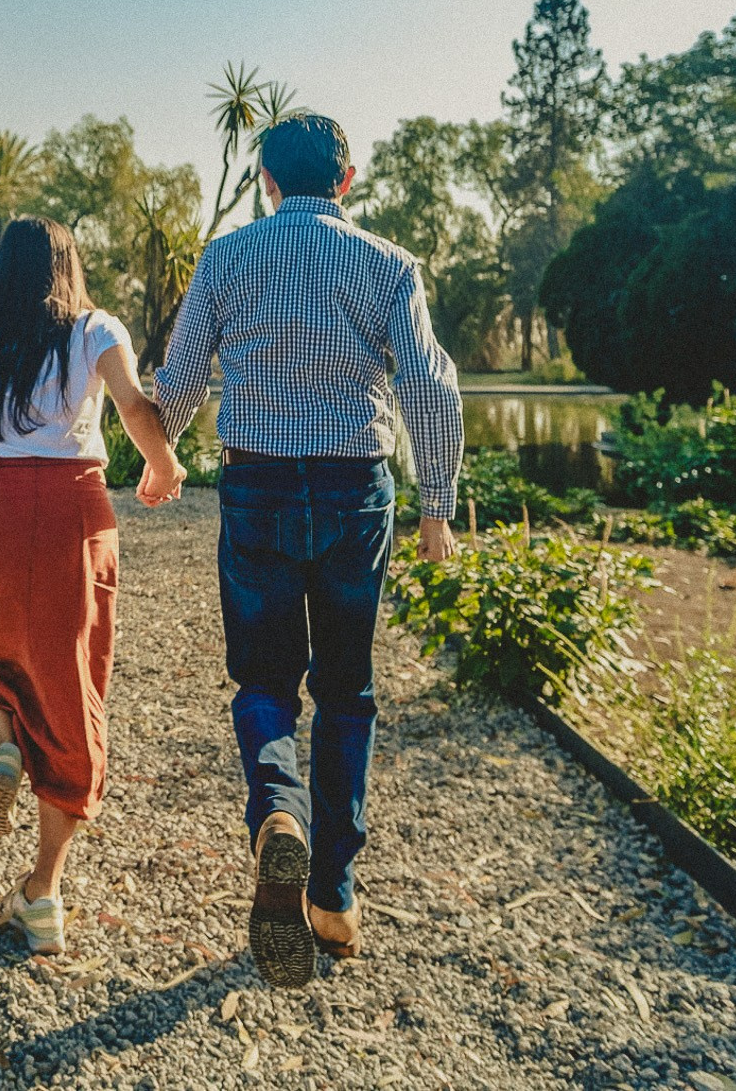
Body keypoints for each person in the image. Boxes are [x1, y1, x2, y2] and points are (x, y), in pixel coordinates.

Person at [147, 112, 462, 989]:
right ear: (348, 179)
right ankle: (332, 893)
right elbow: (431, 386)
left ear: (266, 183)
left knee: (263, 682)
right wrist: (437, 504)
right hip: (356, 490)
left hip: (255, 489)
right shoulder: (389, 265)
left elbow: (177, 385)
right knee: (347, 691)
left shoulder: (226, 258)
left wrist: (158, 456)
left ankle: (277, 813)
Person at [0, 216, 185, 956]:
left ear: (3, 269)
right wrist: (163, 465)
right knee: (73, 681)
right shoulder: (95, 328)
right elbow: (131, 405)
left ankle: (5, 744)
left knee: (2, 645)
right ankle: (45, 893)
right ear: (68, 265)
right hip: (74, 512)